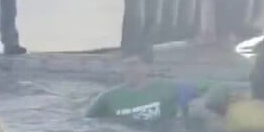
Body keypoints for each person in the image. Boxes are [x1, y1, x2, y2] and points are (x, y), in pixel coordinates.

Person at [192, 37, 264, 132]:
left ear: (255, 78)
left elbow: (210, 125)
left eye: (254, 70)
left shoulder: (239, 114)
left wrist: (207, 105)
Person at [86, 47, 223, 122]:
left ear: (148, 67)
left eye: (134, 64)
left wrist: (206, 101)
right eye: (125, 65)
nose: (129, 70)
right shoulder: (107, 98)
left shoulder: (168, 88)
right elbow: (84, 126)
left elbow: (215, 85)